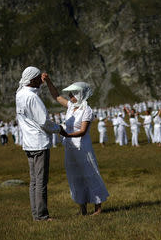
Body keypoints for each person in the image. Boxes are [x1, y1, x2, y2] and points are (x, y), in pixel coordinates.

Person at [43, 75, 109, 216]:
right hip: (70, 148)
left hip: (83, 147)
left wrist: (67, 135)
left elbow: (83, 131)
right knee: (75, 176)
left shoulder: (87, 110)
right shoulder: (71, 106)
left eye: (73, 94)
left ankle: (98, 208)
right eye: (70, 94)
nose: (70, 96)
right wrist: (48, 81)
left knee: (90, 173)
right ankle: (82, 208)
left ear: (80, 95)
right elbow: (56, 96)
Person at [16, 66, 65, 221]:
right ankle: (42, 215)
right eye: (38, 79)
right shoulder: (32, 98)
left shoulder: (20, 94)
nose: (40, 81)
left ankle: (36, 214)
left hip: (28, 143)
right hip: (39, 143)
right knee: (41, 181)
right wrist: (59, 129)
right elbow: (44, 121)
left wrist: (42, 83)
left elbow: (32, 94)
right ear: (32, 80)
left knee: (34, 182)